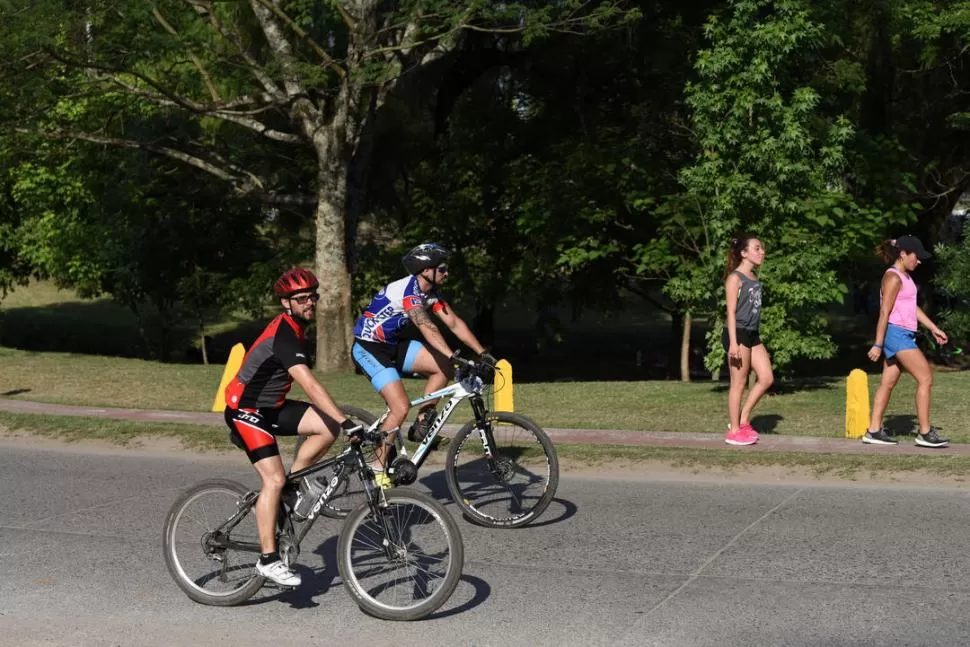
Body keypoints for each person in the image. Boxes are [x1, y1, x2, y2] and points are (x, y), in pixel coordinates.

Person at [223, 267, 361, 587]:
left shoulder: (297, 327)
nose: (309, 302)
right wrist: (347, 420)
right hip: (245, 411)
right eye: (301, 298)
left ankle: (292, 487)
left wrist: (337, 422)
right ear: (286, 303)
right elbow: (310, 385)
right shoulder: (284, 333)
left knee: (327, 426)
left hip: (271, 408)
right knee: (272, 478)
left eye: (312, 296)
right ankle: (268, 559)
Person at [351, 243, 495, 486]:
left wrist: (484, 354)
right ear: (426, 270)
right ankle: (376, 467)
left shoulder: (430, 293)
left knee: (443, 368)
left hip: (394, 345)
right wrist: (453, 355)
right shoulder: (409, 292)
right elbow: (426, 327)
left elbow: (454, 323)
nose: (446, 273)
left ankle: (422, 423)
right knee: (399, 407)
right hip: (368, 347)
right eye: (442, 268)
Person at [862, 236, 950, 448]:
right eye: (916, 257)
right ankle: (925, 433)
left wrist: (933, 328)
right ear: (903, 254)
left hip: (903, 333)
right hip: (897, 334)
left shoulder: (906, 278)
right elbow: (884, 312)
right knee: (926, 378)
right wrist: (878, 343)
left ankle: (873, 430)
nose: (918, 261)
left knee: (888, 382)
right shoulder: (893, 278)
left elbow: (912, 308)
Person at [722, 234, 773, 446]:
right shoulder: (735, 278)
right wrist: (733, 343)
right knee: (739, 384)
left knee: (767, 378)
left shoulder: (753, 277)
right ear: (744, 253)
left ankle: (743, 420)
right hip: (738, 333)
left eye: (762, 248)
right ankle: (733, 431)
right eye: (757, 248)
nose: (762, 252)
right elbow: (731, 313)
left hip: (752, 333)